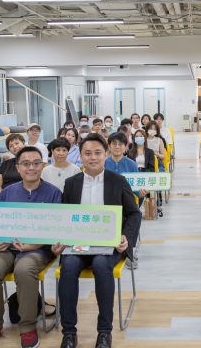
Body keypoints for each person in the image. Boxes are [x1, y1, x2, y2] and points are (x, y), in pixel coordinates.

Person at [58, 133, 142, 348]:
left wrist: (126, 237)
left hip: (108, 244)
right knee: (68, 266)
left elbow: (134, 213)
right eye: (87, 153)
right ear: (81, 156)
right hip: (78, 243)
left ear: (105, 154)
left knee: (101, 265)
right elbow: (63, 217)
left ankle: (104, 331)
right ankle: (68, 332)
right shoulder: (71, 183)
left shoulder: (117, 181)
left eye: (97, 153)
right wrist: (58, 239)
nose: (92, 158)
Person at [0, 146, 62, 348]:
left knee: (24, 270)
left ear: (43, 165)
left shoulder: (54, 193)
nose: (31, 168)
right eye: (25, 163)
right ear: (17, 167)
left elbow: (58, 229)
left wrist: (34, 244)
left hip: (37, 249)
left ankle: (27, 327)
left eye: (36, 163)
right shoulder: (7, 192)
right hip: (6, 248)